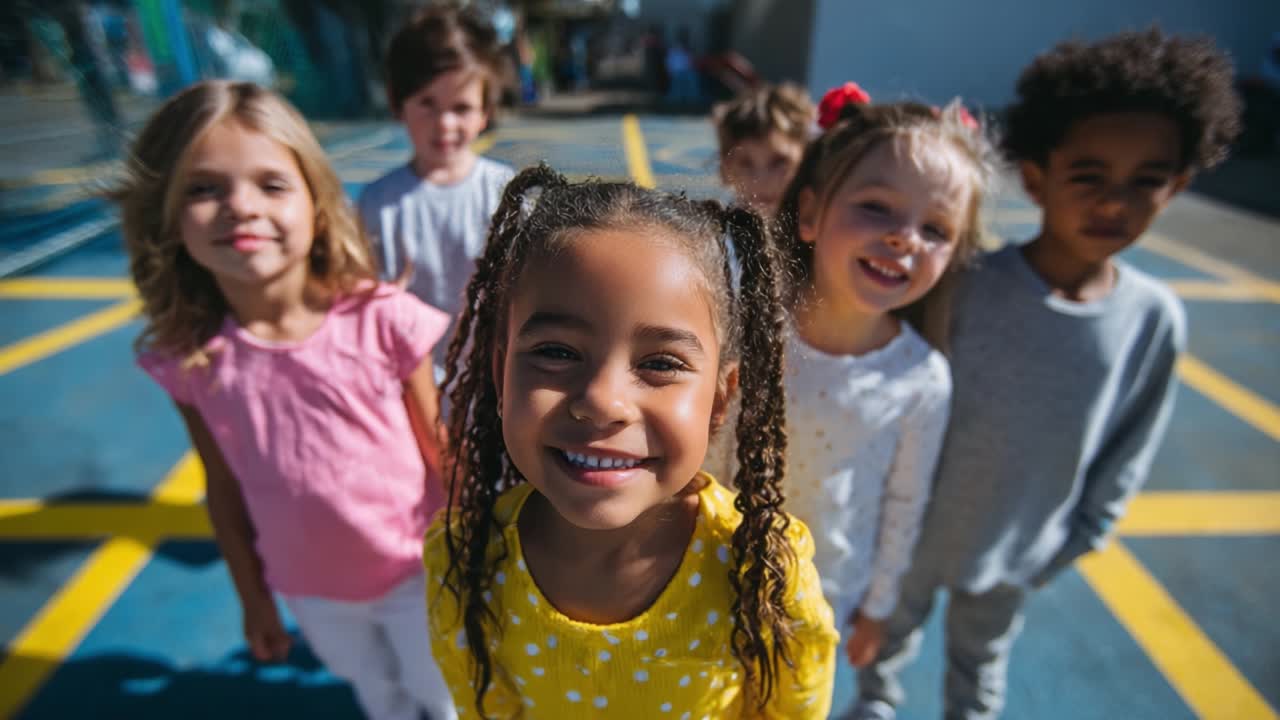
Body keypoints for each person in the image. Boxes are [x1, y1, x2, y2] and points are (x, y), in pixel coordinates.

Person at [852, 29, 1242, 720]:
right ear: (1035, 177)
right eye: (1088, 176)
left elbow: (1127, 448)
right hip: (909, 537)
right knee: (876, 656)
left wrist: (1072, 542)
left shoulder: (1153, 319)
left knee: (979, 679)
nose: (1113, 203)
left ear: (1177, 186)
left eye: (1145, 181)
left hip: (1018, 554)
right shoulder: (965, 285)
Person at [423, 164, 840, 719]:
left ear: (720, 398)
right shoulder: (467, 559)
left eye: (661, 363)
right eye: (557, 352)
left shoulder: (760, 570)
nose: (602, 400)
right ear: (501, 375)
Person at [115, 81, 457, 720]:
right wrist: (253, 597)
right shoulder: (195, 361)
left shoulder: (382, 321)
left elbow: (441, 449)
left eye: (270, 184)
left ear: (317, 204)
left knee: (440, 695)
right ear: (165, 212)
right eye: (203, 187)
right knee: (377, 693)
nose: (240, 207)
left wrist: (482, 553)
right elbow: (223, 487)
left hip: (420, 572)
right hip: (314, 592)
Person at [709, 84, 997, 690]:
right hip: (713, 578)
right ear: (810, 213)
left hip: (826, 599)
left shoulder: (921, 375)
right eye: (877, 207)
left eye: (936, 229)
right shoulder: (749, 326)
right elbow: (707, 455)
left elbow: (904, 502)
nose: (904, 237)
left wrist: (879, 606)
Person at [358, 4, 514, 377]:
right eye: (427, 104)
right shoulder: (377, 205)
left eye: (461, 108)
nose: (444, 123)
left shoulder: (505, 194)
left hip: (491, 383)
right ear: (399, 103)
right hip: (408, 387)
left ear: (485, 112)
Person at [711, 81, 815, 215]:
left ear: (807, 160)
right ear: (725, 169)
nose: (762, 180)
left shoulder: (829, 232)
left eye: (779, 162)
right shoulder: (711, 233)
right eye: (745, 163)